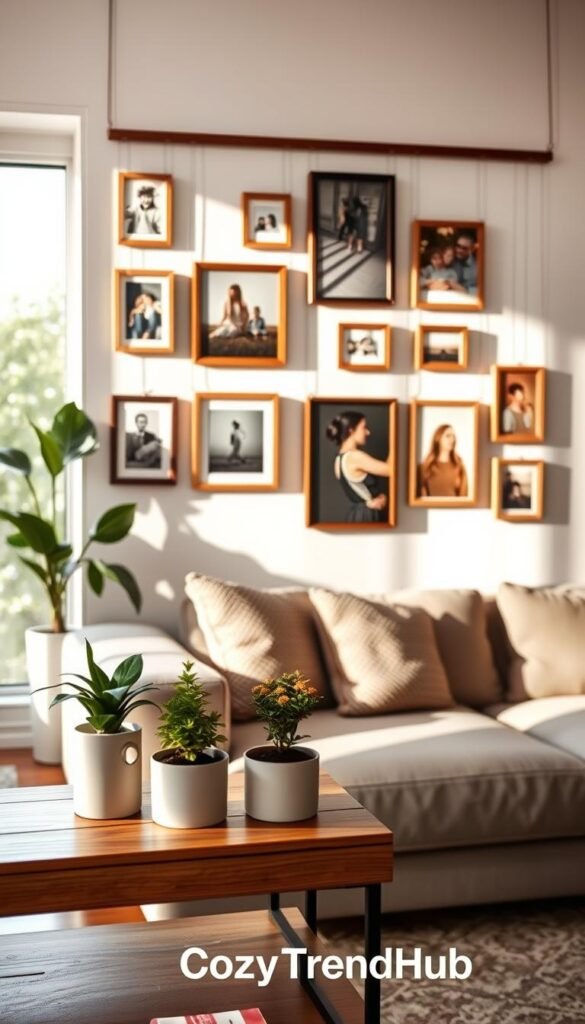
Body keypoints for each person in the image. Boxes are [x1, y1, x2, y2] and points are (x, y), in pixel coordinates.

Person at [326, 411, 391, 523]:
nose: (368, 432)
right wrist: (396, 441)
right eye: (364, 427)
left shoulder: (339, 459)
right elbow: (392, 470)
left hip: (356, 515)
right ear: (351, 431)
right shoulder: (355, 457)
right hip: (367, 516)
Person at [418, 424, 468, 498]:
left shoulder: (459, 465)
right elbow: (421, 495)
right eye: (448, 436)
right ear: (438, 438)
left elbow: (463, 495)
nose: (452, 439)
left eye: (453, 436)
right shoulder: (425, 466)